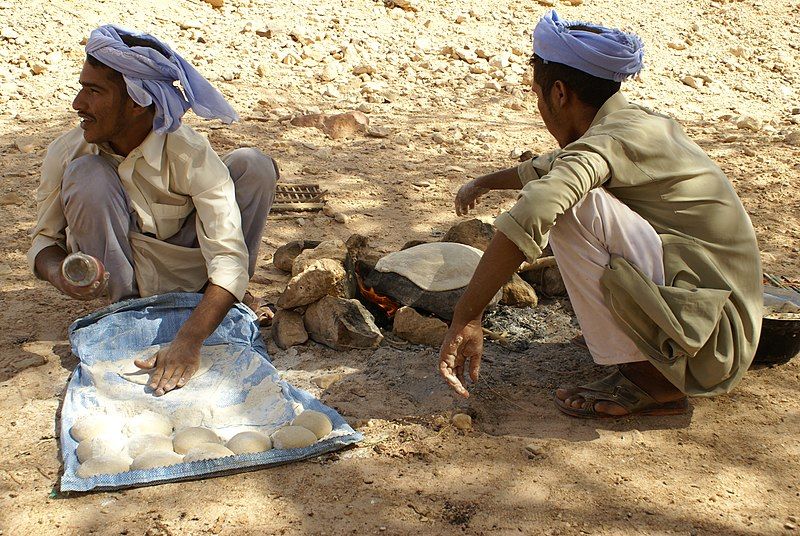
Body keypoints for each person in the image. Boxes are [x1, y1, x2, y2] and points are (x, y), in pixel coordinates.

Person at [439, 10, 762, 418]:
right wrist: (483, 182)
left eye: (537, 96)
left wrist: (466, 317)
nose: (539, 106)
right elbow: (553, 165)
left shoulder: (609, 141)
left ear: (559, 93)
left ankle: (655, 380)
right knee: (569, 191)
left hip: (715, 344)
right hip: (727, 318)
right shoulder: (636, 124)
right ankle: (643, 347)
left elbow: (540, 202)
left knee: (572, 206)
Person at [28, 25, 278, 396]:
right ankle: (126, 313)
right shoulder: (69, 154)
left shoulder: (188, 153)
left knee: (254, 166)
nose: (78, 104)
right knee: (87, 175)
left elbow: (227, 257)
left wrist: (189, 341)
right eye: (82, 88)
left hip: (193, 271)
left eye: (94, 91)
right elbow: (43, 243)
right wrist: (58, 273)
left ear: (137, 102)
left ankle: (220, 301)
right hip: (122, 275)